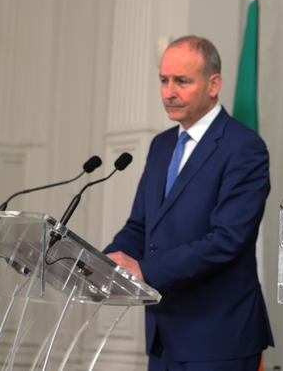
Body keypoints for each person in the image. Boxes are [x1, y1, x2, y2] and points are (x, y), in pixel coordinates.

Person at [104, 36, 273, 370]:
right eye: (163, 80)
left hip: (218, 336)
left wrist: (145, 269)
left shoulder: (244, 147)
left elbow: (227, 240)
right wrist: (104, 263)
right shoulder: (161, 145)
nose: (169, 92)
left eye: (182, 81)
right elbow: (140, 226)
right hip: (162, 336)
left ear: (214, 84)